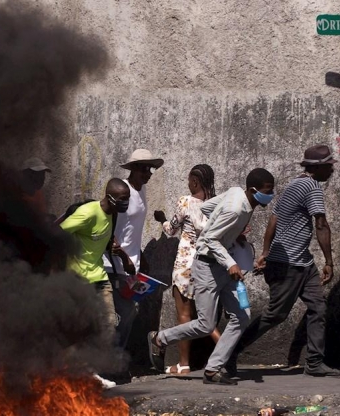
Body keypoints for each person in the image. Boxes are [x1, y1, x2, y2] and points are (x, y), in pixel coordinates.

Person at [147, 168, 276, 385]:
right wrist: (231, 262)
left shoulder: (238, 194)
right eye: (267, 191)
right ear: (253, 191)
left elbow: (207, 207)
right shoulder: (235, 210)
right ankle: (159, 338)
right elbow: (210, 241)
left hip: (222, 266)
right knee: (206, 325)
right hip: (207, 266)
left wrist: (233, 236)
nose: (271, 195)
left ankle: (213, 369)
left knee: (241, 316)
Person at [226, 145, 340, 378]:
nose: (332, 170)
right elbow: (321, 225)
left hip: (302, 262)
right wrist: (329, 261)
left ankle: (314, 363)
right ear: (318, 167)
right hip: (288, 264)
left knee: (318, 307)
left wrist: (266, 251)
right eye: (329, 166)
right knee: (275, 315)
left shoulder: (293, 184)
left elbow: (274, 220)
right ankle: (229, 352)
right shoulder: (312, 188)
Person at [60, 178, 132, 388]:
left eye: (127, 199)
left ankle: (90, 372)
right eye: (122, 199)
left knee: (109, 325)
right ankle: (73, 372)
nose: (126, 203)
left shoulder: (114, 214)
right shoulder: (88, 213)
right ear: (109, 196)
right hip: (78, 279)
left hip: (100, 276)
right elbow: (59, 232)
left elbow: (102, 239)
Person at [154, 164, 221, 375]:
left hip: (185, 265)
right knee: (206, 317)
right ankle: (227, 355)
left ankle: (183, 364)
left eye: (189, 180)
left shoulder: (186, 202)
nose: (187, 183)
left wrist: (162, 219)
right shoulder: (217, 205)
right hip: (207, 265)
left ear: (195, 181)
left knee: (184, 315)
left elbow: (172, 229)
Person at [102, 149, 164, 349]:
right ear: (133, 169)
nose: (148, 174)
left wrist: (140, 257)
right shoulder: (122, 191)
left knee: (128, 312)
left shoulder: (141, 191)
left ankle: (114, 359)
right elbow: (109, 226)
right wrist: (121, 255)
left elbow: (131, 229)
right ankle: (111, 359)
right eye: (144, 169)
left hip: (131, 264)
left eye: (150, 170)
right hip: (116, 264)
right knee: (124, 313)